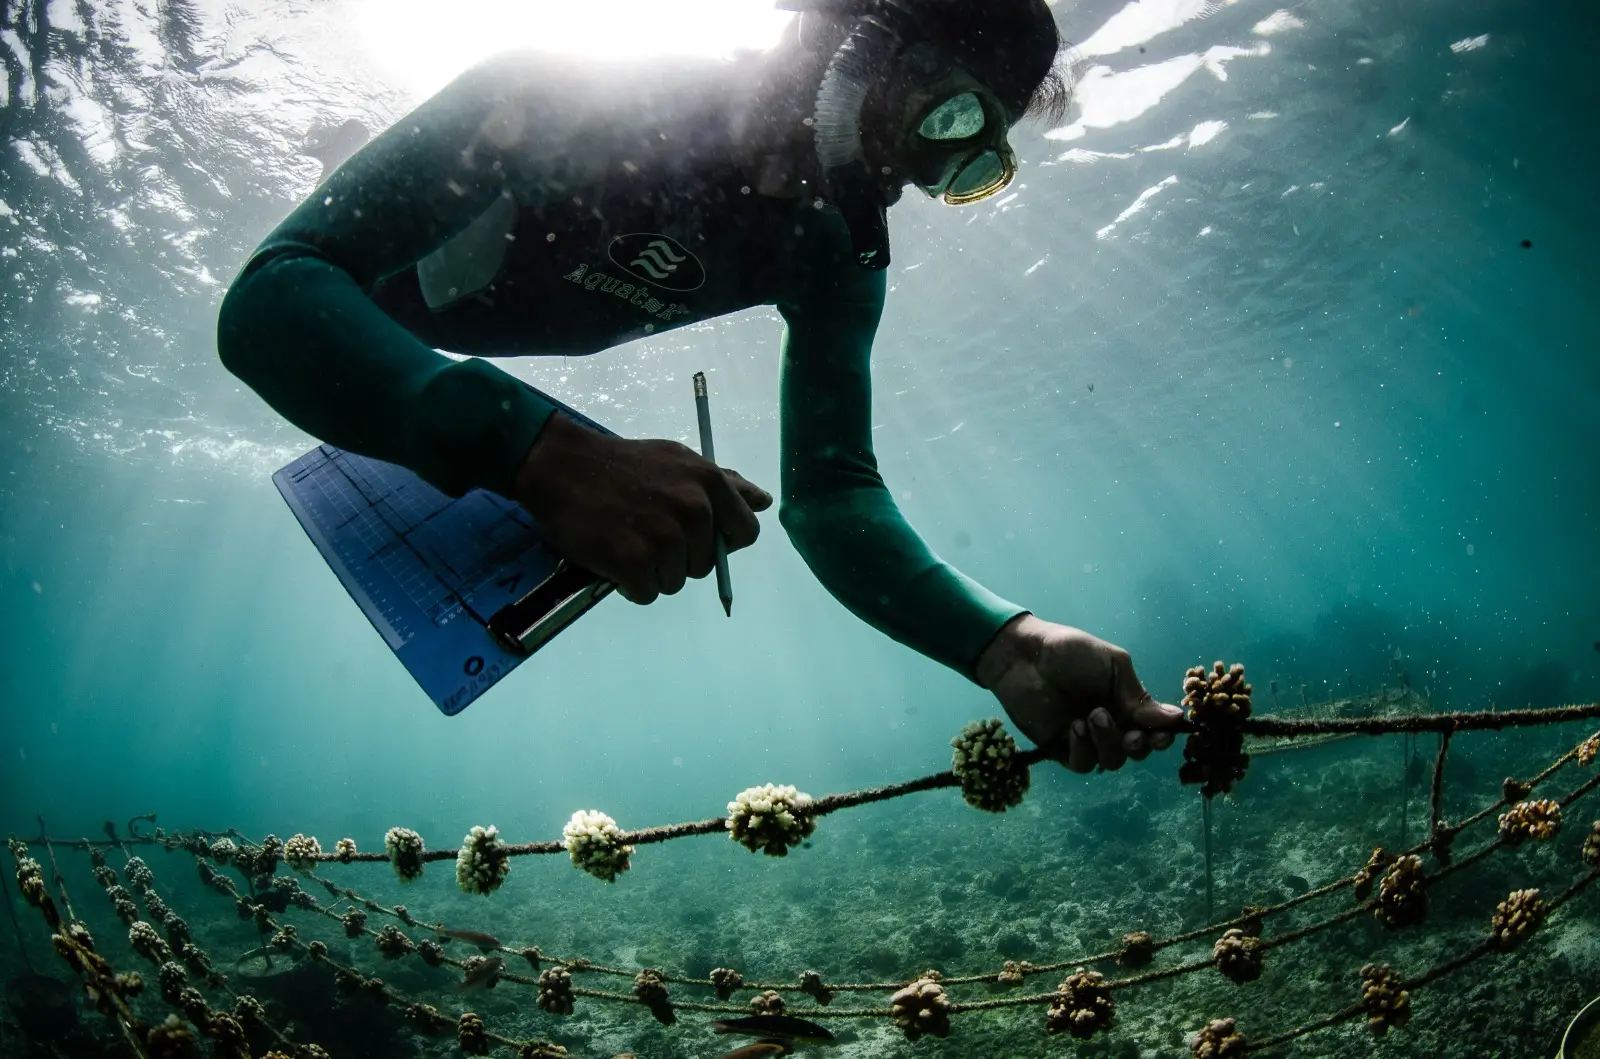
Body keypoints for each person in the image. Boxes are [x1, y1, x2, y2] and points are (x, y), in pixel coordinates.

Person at [217, 0, 1183, 770]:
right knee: (357, 205)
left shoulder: (833, 247)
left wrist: (1004, 644)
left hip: (451, 323)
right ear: (857, 37)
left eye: (970, 165)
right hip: (383, 289)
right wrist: (538, 452)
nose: (916, 178)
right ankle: (340, 145)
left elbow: (836, 492)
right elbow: (270, 302)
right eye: (947, 118)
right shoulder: (565, 92)